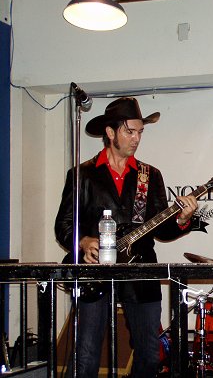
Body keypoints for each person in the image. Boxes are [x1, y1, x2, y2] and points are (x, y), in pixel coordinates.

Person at [55, 97, 198, 377]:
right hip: (94, 271)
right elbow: (63, 225)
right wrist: (83, 242)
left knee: (149, 354)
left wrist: (182, 218)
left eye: (140, 132)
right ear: (110, 132)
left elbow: (161, 229)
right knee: (85, 355)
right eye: (129, 132)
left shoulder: (149, 175)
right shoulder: (82, 175)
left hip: (140, 268)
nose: (136, 139)